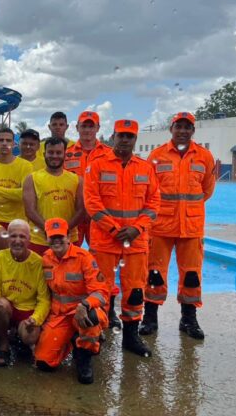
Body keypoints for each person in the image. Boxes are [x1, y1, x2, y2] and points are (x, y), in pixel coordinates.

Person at [83, 119, 160, 357]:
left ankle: (130, 336)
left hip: (136, 241)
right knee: (101, 289)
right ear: (113, 136)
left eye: (130, 136)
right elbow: (91, 202)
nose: (125, 140)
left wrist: (138, 228)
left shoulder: (145, 168)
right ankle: (96, 333)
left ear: (135, 139)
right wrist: (115, 229)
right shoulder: (97, 165)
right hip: (106, 240)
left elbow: (154, 202)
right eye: (121, 135)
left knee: (135, 290)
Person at [142, 112, 215, 339]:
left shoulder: (204, 156)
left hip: (191, 228)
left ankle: (188, 319)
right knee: (154, 273)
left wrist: (187, 211)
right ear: (171, 129)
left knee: (192, 275)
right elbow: (148, 190)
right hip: (161, 226)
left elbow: (207, 190)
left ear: (193, 131)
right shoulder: (156, 155)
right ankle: (150, 318)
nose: (183, 130)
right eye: (179, 126)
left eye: (187, 127)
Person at [33, 218, 109, 384]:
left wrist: (85, 305)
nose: (57, 240)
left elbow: (101, 291)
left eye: (60, 236)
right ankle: (72, 340)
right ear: (46, 238)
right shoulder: (45, 259)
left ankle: (85, 356)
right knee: (44, 363)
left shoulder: (84, 258)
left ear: (68, 237)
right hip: (59, 315)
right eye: (53, 237)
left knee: (91, 319)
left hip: (82, 312)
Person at [0, 219, 50, 366]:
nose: (17, 241)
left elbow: (44, 299)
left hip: (27, 311)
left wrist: (35, 319)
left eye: (22, 236)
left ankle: (20, 335)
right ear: (7, 238)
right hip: (7, 307)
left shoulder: (38, 263)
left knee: (30, 337)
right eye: (13, 236)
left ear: (29, 239)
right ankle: (3, 342)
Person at [23, 136, 83, 255]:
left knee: (69, 274)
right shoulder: (32, 179)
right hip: (40, 240)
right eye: (51, 152)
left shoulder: (77, 180)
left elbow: (81, 210)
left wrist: (64, 230)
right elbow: (30, 211)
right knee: (41, 273)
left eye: (58, 152)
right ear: (44, 154)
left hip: (69, 239)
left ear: (65, 154)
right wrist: (49, 229)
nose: (54, 156)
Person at [64, 110, 112, 245]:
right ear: (77, 127)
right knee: (70, 253)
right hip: (74, 214)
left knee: (100, 254)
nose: (87, 130)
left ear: (98, 128)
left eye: (91, 126)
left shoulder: (109, 154)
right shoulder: (66, 154)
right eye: (84, 126)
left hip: (100, 215)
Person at [0, 128, 33, 228]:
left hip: (18, 221)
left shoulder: (25, 166)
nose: (4, 143)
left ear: (14, 144)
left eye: (8, 140)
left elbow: (24, 194)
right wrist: (13, 196)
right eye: (1, 140)